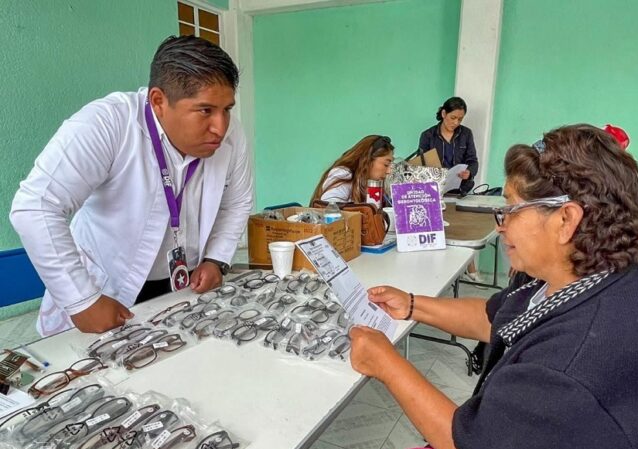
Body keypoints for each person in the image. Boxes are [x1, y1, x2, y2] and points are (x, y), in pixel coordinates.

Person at [350, 124, 638, 449]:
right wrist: (412, 305)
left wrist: (387, 364)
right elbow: (494, 318)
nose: (501, 225)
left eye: (511, 209)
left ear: (565, 220)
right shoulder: (589, 273)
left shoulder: (571, 366)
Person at [10, 36, 253, 336]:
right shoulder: (106, 123)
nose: (221, 127)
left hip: (182, 287)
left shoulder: (232, 135)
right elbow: (35, 205)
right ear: (158, 101)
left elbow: (237, 202)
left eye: (227, 109)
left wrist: (217, 259)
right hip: (105, 291)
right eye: (205, 110)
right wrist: (82, 300)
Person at [418, 97, 478, 195]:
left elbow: (473, 161)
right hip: (434, 190)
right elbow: (420, 165)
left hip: (461, 189)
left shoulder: (466, 134)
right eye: (453, 118)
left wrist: (469, 172)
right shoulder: (428, 136)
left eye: (460, 119)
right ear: (444, 114)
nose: (456, 123)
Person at [310, 135, 394, 204]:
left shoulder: (370, 183)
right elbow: (330, 209)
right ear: (368, 160)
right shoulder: (343, 174)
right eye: (386, 164)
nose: (389, 171)